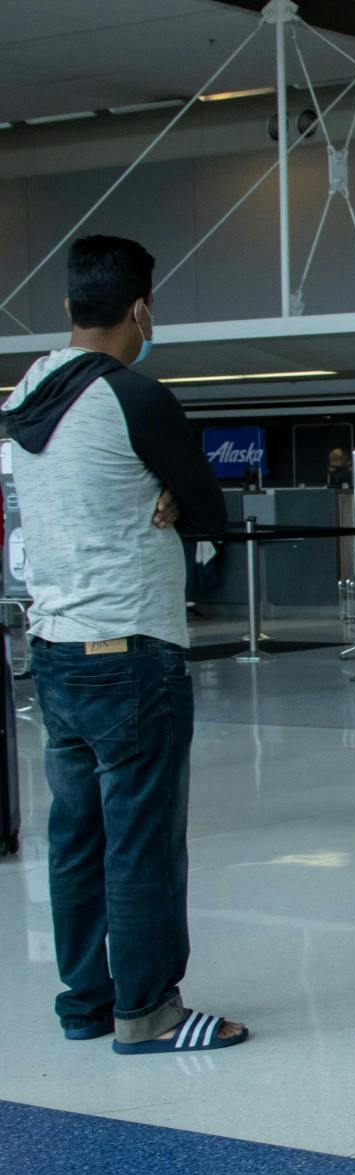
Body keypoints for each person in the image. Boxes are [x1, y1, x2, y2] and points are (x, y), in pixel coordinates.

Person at [0, 235, 243, 1054]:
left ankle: (86, 1002)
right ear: (140, 309)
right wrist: (175, 492)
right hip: (131, 651)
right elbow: (211, 511)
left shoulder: (26, 392)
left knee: (76, 837)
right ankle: (149, 1013)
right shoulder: (133, 396)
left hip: (56, 649)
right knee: (141, 840)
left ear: (71, 306)